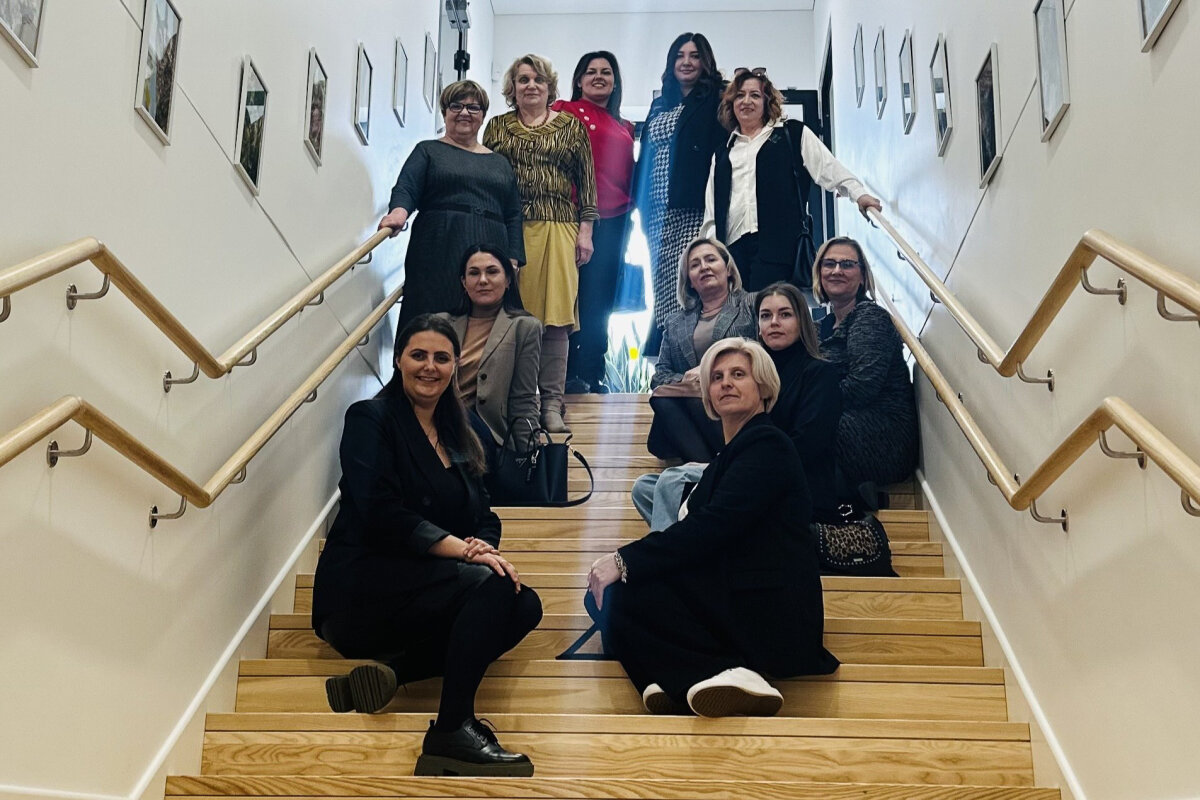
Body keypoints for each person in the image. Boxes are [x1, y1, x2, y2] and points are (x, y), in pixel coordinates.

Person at [311, 314, 542, 777]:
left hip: (428, 594)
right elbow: (378, 511)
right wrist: (462, 551)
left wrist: (483, 547)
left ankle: (395, 672)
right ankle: (452, 729)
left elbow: (484, 514)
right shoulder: (371, 419)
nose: (430, 367)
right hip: (362, 589)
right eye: (418, 355)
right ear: (398, 360)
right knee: (493, 586)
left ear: (455, 366)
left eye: (442, 357)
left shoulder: (462, 431)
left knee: (525, 605)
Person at [588, 337, 839, 717]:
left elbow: (713, 526)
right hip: (735, 595)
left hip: (770, 611)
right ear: (707, 393)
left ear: (763, 387)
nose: (726, 383)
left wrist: (624, 560)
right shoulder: (730, 455)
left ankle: (730, 674)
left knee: (621, 588)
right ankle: (674, 681)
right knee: (604, 595)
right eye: (717, 377)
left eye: (738, 374)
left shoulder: (768, 443)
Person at [633, 281, 841, 531]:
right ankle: (698, 546)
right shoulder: (749, 373)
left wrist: (725, 466)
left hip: (791, 484)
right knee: (645, 488)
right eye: (766, 316)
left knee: (671, 481)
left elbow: (806, 447)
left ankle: (674, 552)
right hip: (743, 472)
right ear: (758, 326)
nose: (774, 322)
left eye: (785, 314)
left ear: (802, 322)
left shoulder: (820, 374)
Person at [484, 54, 598, 433]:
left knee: (556, 320)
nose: (530, 85)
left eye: (538, 80)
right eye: (523, 80)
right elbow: (489, 183)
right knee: (516, 319)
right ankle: (521, 404)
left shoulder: (570, 126)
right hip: (511, 230)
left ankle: (551, 404)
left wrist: (586, 232)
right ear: (512, 88)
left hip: (560, 227)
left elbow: (587, 183)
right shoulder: (497, 128)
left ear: (550, 87)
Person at [704, 68, 881, 292]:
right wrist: (710, 253)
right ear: (731, 103)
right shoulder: (722, 153)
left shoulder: (793, 134)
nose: (746, 101)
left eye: (755, 95)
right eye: (740, 95)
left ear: (766, 102)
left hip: (780, 250)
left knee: (773, 309)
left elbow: (829, 168)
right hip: (733, 254)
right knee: (739, 312)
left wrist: (859, 195)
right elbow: (711, 212)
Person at [378, 81, 524, 329]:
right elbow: (406, 187)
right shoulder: (428, 150)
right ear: (444, 112)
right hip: (438, 244)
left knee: (485, 322)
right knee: (429, 319)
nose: (464, 112)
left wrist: (513, 258)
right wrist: (398, 214)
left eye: (473, 107)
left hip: (491, 245)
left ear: (483, 116)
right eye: (456, 106)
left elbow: (513, 213)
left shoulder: (500, 162)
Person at [633, 33, 727, 354]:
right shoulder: (660, 103)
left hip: (691, 207)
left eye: (694, 55)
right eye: (680, 56)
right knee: (661, 279)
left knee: (688, 276)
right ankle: (668, 348)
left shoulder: (715, 99)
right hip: (655, 209)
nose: (686, 62)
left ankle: (694, 349)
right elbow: (646, 153)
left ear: (705, 62)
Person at [553, 51, 636, 394]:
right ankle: (566, 375)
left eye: (606, 72)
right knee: (571, 295)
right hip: (573, 217)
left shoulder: (625, 126)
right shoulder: (563, 111)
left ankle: (593, 374)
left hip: (616, 221)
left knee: (600, 301)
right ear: (578, 80)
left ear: (615, 82)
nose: (599, 76)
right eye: (591, 71)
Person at [813, 237, 919, 499]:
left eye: (847, 264)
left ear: (862, 276)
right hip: (843, 424)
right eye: (829, 264)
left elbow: (861, 388)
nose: (837, 270)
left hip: (882, 434)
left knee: (798, 431)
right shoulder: (819, 327)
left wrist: (809, 405)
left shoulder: (869, 317)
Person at [647, 237, 755, 463]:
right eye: (695, 265)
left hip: (738, 400)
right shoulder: (675, 321)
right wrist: (686, 380)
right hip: (694, 415)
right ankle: (712, 469)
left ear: (728, 269)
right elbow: (660, 376)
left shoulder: (751, 304)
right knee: (663, 398)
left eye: (711, 260)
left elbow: (762, 351)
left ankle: (710, 470)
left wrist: (708, 373)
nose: (704, 267)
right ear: (689, 281)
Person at [441, 245, 542, 453]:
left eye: (492, 272)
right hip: (438, 425)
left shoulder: (524, 327)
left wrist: (531, 455)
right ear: (464, 282)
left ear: (508, 280)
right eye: (474, 273)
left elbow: (523, 399)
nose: (483, 280)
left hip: (487, 435)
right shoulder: (441, 323)